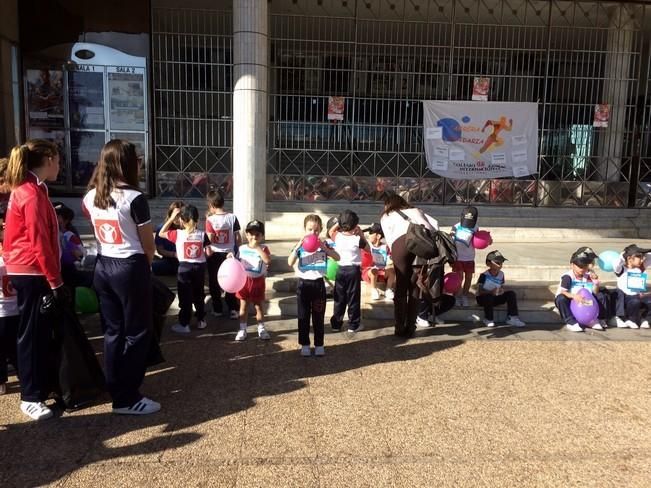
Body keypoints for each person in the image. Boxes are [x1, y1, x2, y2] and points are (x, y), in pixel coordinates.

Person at [83, 139, 160, 415]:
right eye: (136, 160)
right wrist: (144, 267)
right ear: (127, 164)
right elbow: (148, 245)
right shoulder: (134, 199)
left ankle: (115, 386)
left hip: (104, 266)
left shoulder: (90, 197)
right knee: (138, 332)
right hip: (130, 266)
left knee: (113, 332)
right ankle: (127, 397)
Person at [4, 139, 62, 420]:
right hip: (32, 271)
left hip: (30, 269)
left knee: (36, 333)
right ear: (48, 159)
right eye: (58, 160)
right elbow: (40, 241)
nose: (60, 165)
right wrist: (54, 280)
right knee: (31, 334)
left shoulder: (34, 189)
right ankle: (30, 396)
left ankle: (38, 387)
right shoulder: (30, 193)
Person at [380, 194, 439, 337]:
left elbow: (389, 239)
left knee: (401, 286)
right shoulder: (415, 210)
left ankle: (399, 326)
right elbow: (433, 226)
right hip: (421, 244)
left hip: (400, 244)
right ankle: (411, 326)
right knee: (415, 286)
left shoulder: (387, 216)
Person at [288, 214, 340, 357]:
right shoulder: (300, 246)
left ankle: (319, 344)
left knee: (318, 316)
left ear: (321, 230)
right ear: (304, 229)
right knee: (303, 316)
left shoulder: (324, 245)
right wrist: (298, 246)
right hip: (303, 285)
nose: (313, 233)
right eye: (310, 229)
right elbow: (289, 262)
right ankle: (304, 344)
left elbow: (338, 257)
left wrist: (325, 248)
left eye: (316, 230)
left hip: (318, 284)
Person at [159, 204, 211, 334]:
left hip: (184, 268)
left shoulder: (177, 234)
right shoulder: (202, 234)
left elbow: (161, 233)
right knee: (199, 295)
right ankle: (201, 320)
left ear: (181, 220)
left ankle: (184, 324)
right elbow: (209, 252)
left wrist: (171, 218)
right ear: (198, 220)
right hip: (199, 267)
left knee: (185, 296)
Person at [328, 210, 369, 333]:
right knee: (353, 298)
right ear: (355, 224)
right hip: (353, 271)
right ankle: (353, 324)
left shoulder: (338, 236)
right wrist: (361, 233)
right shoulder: (357, 239)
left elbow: (330, 231)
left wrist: (339, 224)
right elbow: (368, 248)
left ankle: (336, 324)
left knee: (339, 298)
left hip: (340, 270)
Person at [232, 220, 271, 341]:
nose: (254, 237)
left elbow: (268, 261)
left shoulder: (264, 248)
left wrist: (258, 248)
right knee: (243, 306)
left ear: (261, 236)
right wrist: (231, 258)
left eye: (257, 234)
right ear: (247, 234)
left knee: (258, 306)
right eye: (251, 234)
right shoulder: (242, 248)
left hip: (258, 281)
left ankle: (261, 328)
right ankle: (242, 329)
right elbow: (237, 262)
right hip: (244, 282)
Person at [554, 247, 608, 333]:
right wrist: (574, 296)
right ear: (572, 265)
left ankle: (594, 319)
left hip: (585, 300)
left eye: (585, 266)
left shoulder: (588, 274)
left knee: (601, 296)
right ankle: (571, 322)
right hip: (571, 298)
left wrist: (596, 282)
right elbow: (563, 291)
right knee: (561, 299)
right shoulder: (568, 277)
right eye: (580, 267)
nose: (582, 269)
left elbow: (594, 292)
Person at [205, 189, 241, 319]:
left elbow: (209, 239)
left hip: (215, 254)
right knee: (231, 281)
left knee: (214, 282)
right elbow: (238, 237)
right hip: (230, 254)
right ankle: (233, 309)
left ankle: (217, 308)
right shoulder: (232, 217)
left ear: (211, 205)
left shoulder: (210, 220)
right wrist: (237, 250)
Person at [475, 250, 526, 328]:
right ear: (489, 264)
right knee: (488, 297)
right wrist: (490, 292)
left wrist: (501, 291)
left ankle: (512, 317)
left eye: (501, 263)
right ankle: (488, 319)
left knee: (511, 294)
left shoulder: (501, 274)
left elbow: (501, 287)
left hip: (494, 297)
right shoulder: (484, 275)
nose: (500, 265)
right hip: (483, 299)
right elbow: (480, 291)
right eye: (498, 263)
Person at [450, 206, 484, 307]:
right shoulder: (456, 226)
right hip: (458, 257)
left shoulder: (476, 227)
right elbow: (450, 240)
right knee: (459, 277)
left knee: (468, 277)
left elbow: (479, 240)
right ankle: (456, 295)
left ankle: (464, 295)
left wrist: (486, 241)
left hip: (469, 257)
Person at [0, 213, 19, 395]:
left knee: (10, 347)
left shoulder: (12, 252)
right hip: (9, 308)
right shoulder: (13, 253)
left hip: (9, 309)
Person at [613, 244, 651, 329]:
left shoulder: (640, 267)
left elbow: (649, 257)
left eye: (642, 257)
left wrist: (644, 252)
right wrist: (624, 254)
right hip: (626, 298)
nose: (642, 260)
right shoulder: (621, 269)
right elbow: (616, 264)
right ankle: (630, 319)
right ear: (629, 258)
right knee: (634, 301)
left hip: (638, 296)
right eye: (639, 257)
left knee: (646, 300)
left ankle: (644, 318)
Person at [361, 223, 395, 301]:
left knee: (392, 271)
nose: (369, 235)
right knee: (374, 271)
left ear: (378, 236)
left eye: (371, 233)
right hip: (369, 272)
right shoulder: (367, 245)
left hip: (382, 271)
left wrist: (390, 264)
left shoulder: (385, 247)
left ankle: (389, 289)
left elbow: (390, 259)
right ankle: (374, 289)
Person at [152, 201, 182, 276]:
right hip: (169, 260)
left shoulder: (186, 228)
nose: (178, 218)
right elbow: (160, 250)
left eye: (180, 215)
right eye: (176, 215)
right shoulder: (162, 228)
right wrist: (174, 254)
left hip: (184, 261)